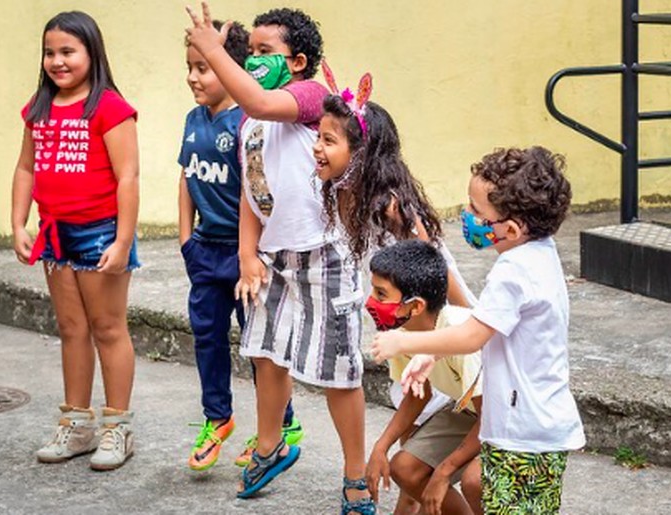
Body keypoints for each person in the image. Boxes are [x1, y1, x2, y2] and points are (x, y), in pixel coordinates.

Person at [186, 4, 374, 513]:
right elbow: (253, 187)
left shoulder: (309, 97)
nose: (252, 62)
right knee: (265, 353)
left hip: (324, 256)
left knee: (339, 371)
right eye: (249, 53)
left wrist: (211, 50)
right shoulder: (251, 122)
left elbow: (263, 102)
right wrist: (248, 253)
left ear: (298, 61)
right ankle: (270, 446)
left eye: (264, 53)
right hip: (275, 258)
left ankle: (356, 475)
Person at [371, 147, 586, 514]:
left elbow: (472, 334)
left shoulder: (514, 270)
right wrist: (432, 354)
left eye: (476, 211)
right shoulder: (540, 254)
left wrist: (404, 340)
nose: (467, 216)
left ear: (513, 228)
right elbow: (489, 327)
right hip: (536, 427)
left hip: (521, 433)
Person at [314, 62, 479, 514]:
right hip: (406, 320)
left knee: (422, 456)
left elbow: (437, 268)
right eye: (318, 137)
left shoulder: (389, 206)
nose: (318, 149)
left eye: (329, 140)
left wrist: (471, 326)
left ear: (361, 151)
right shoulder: (347, 195)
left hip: (439, 325)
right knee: (412, 454)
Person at [11, 11, 140, 471]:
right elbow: (26, 167)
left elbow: (128, 177)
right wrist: (19, 223)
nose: (57, 61)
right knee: (71, 329)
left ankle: (117, 427)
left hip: (100, 234)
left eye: (68, 51)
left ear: (91, 53)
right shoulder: (39, 108)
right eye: (50, 52)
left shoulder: (109, 107)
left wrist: (122, 241)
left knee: (107, 328)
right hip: (54, 235)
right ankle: (78, 423)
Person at [177, 19, 301, 473]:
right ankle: (218, 419)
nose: (194, 77)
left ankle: (281, 427)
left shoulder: (250, 124)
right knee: (206, 338)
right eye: (189, 67)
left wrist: (258, 254)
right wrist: (185, 239)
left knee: (260, 347)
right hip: (205, 252)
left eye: (205, 67)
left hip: (248, 254)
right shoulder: (193, 120)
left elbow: (260, 190)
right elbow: (187, 177)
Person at [363, 240, 484, 515]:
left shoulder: (458, 329)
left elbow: (491, 417)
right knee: (405, 469)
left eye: (381, 294)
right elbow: (419, 395)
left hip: (504, 415)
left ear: (415, 306)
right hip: (469, 412)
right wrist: (381, 447)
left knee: (474, 481)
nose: (371, 301)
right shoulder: (402, 333)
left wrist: (444, 471)